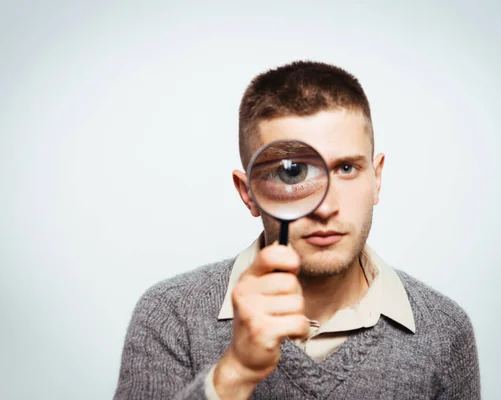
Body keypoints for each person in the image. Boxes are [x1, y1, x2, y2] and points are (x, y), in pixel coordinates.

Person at [113, 61, 481, 399]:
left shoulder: (444, 330)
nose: (325, 206)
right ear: (249, 193)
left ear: (377, 177)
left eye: (347, 169)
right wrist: (237, 371)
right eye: (292, 172)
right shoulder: (171, 315)